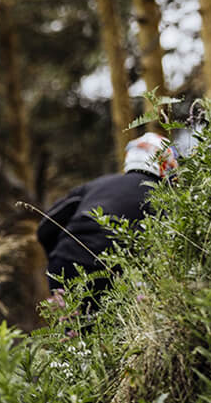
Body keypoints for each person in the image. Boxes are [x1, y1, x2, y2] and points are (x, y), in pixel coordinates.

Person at [36, 132, 178, 312]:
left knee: (73, 332)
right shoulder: (165, 198)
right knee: (120, 334)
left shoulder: (96, 185)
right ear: (167, 163)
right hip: (115, 274)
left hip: (65, 263)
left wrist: (59, 257)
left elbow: (45, 228)